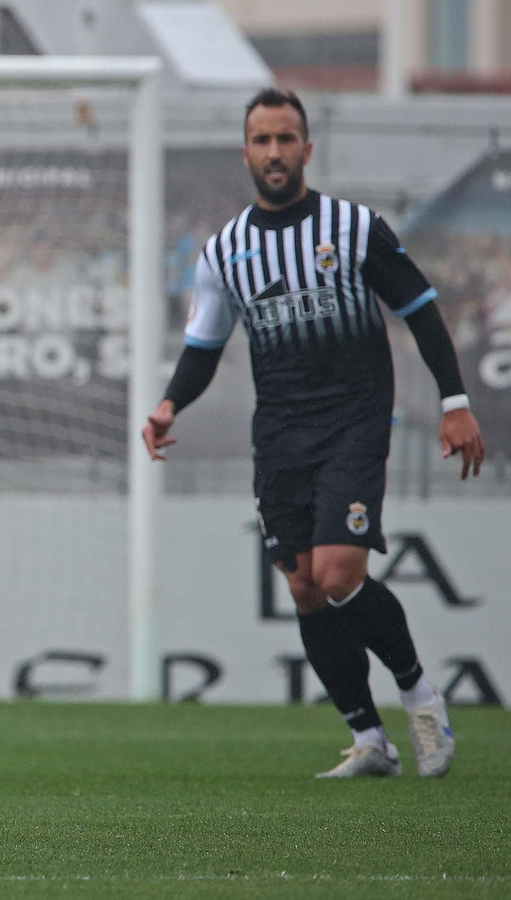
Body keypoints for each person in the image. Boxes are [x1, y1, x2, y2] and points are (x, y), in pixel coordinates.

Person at [142, 88, 485, 778]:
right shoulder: (224, 251)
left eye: (285, 139)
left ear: (307, 148)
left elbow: (420, 310)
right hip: (280, 432)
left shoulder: (354, 228)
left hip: (355, 419)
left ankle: (420, 694)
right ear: (245, 154)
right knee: (304, 587)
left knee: (337, 573)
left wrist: (455, 401)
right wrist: (170, 404)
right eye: (262, 140)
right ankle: (370, 738)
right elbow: (205, 347)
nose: (274, 152)